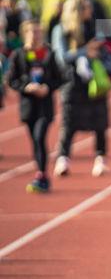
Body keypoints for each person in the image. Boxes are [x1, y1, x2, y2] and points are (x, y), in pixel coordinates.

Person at [52, 0, 110, 177]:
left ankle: (100, 158)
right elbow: (62, 57)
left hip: (94, 81)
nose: (91, 9)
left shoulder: (93, 27)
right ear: (77, 10)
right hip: (71, 82)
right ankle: (63, 158)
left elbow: (102, 49)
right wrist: (85, 51)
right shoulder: (61, 30)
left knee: (100, 121)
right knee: (69, 121)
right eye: (87, 7)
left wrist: (98, 50)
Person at [8, 20, 64, 193]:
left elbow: (61, 78)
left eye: (39, 32)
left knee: (40, 137)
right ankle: (41, 173)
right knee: (35, 140)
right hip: (28, 106)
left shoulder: (49, 54)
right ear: (25, 33)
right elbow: (11, 80)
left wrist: (48, 87)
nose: (36, 35)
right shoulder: (18, 55)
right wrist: (26, 87)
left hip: (45, 106)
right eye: (33, 32)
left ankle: (41, 174)